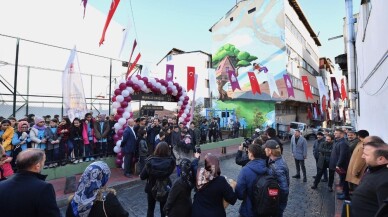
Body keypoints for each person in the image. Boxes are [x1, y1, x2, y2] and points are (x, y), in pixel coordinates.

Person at [0, 148, 61, 217]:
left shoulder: (1, 185)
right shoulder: (44, 188)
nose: (43, 164)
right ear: (37, 166)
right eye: (43, 161)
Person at [351, 138, 388, 217]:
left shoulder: (385, 181)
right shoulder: (372, 170)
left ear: (381, 159)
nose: (362, 156)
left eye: (366, 154)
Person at [140, 142, 175, 217]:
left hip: (151, 187)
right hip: (165, 187)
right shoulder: (171, 161)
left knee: (150, 209)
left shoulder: (150, 161)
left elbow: (142, 176)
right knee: (163, 209)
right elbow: (170, 172)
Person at [235, 143, 268, 217]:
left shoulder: (245, 170)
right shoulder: (267, 166)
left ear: (251, 154)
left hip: (249, 209)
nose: (247, 153)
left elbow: (240, 195)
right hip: (264, 207)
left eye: (248, 152)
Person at [264, 140, 290, 217]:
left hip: (277, 202)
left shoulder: (278, 167)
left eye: (265, 148)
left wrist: (274, 200)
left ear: (270, 151)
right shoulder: (275, 158)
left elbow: (284, 189)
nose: (264, 150)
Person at [330, 129, 350, 200]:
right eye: (334, 133)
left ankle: (346, 195)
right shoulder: (338, 141)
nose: (334, 134)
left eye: (336, 133)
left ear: (342, 134)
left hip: (342, 165)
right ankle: (344, 192)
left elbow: (342, 155)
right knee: (342, 179)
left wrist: (338, 165)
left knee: (344, 180)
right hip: (338, 164)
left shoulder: (343, 143)